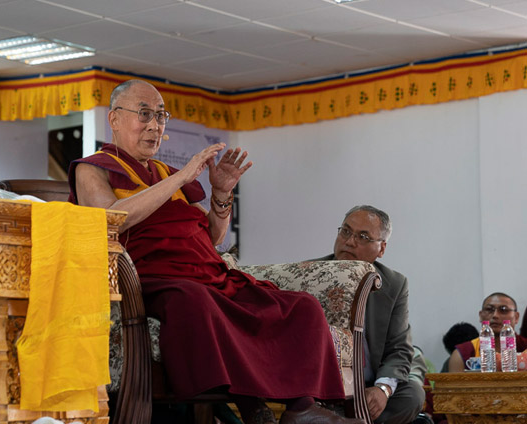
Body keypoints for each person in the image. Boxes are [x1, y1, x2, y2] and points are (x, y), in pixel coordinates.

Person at [69, 79, 363, 424]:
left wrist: (221, 193)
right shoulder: (94, 168)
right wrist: (180, 180)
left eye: (161, 116)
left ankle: (302, 408)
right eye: (144, 114)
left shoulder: (165, 173)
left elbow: (212, 239)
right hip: (153, 278)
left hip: (208, 273)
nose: (154, 125)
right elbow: (109, 221)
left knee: (301, 307)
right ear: (115, 118)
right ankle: (252, 404)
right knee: (196, 301)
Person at [316, 205, 425, 424]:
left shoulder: (394, 284)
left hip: (369, 383)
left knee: (412, 395)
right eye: (345, 231)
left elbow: (399, 347)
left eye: (363, 236)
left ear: (381, 249)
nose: (349, 241)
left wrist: (382, 390)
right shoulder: (312, 274)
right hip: (322, 383)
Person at [447, 292, 527, 372]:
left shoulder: (524, 346)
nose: (495, 315)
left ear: (516, 317)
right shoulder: (462, 353)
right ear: (481, 316)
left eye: (503, 310)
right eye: (489, 309)